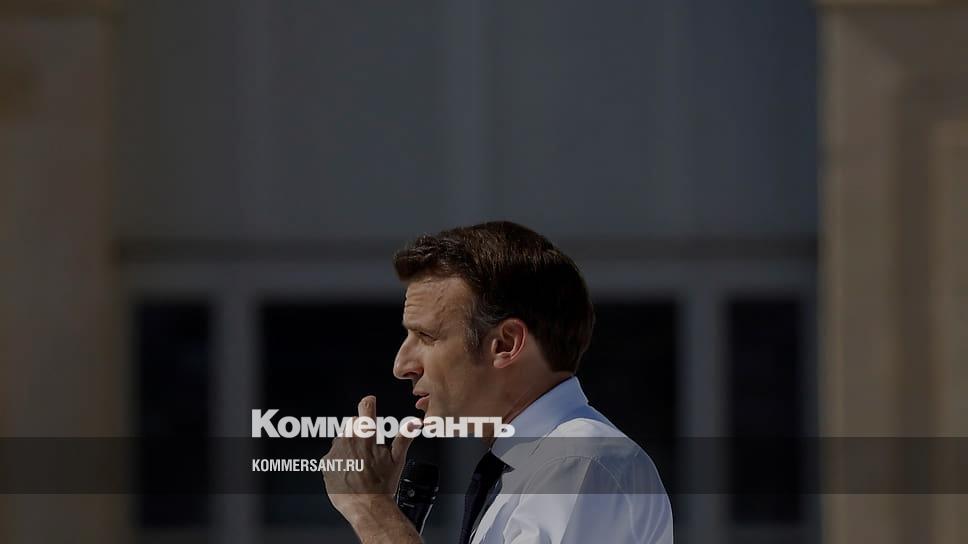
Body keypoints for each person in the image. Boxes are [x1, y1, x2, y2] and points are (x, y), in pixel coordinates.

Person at [321, 221, 674, 543]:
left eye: (426, 337)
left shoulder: (578, 462)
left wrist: (371, 509)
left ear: (505, 344)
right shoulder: (545, 465)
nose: (402, 366)